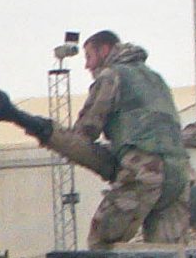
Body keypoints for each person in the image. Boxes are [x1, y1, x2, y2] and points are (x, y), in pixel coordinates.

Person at [65, 31, 189, 246]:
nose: (87, 66)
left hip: (144, 169)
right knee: (168, 255)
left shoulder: (112, 76)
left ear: (105, 50)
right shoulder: (155, 78)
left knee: (103, 241)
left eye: (89, 57)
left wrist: (65, 142)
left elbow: (87, 128)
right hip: (178, 173)